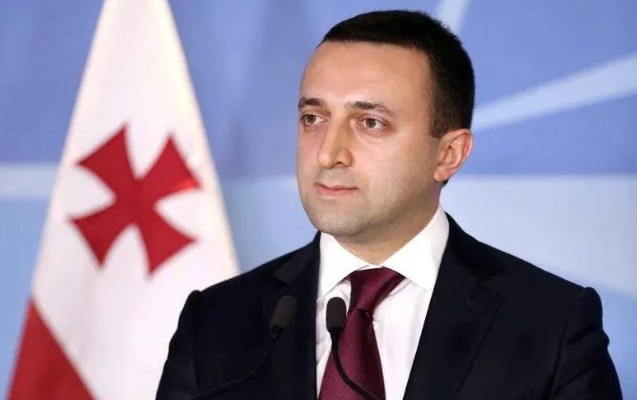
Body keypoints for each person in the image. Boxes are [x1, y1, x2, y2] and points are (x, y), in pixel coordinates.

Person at [156, 9, 622, 400]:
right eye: (313, 118)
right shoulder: (216, 322)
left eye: (370, 123)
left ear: (448, 154)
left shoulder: (551, 325)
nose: (328, 153)